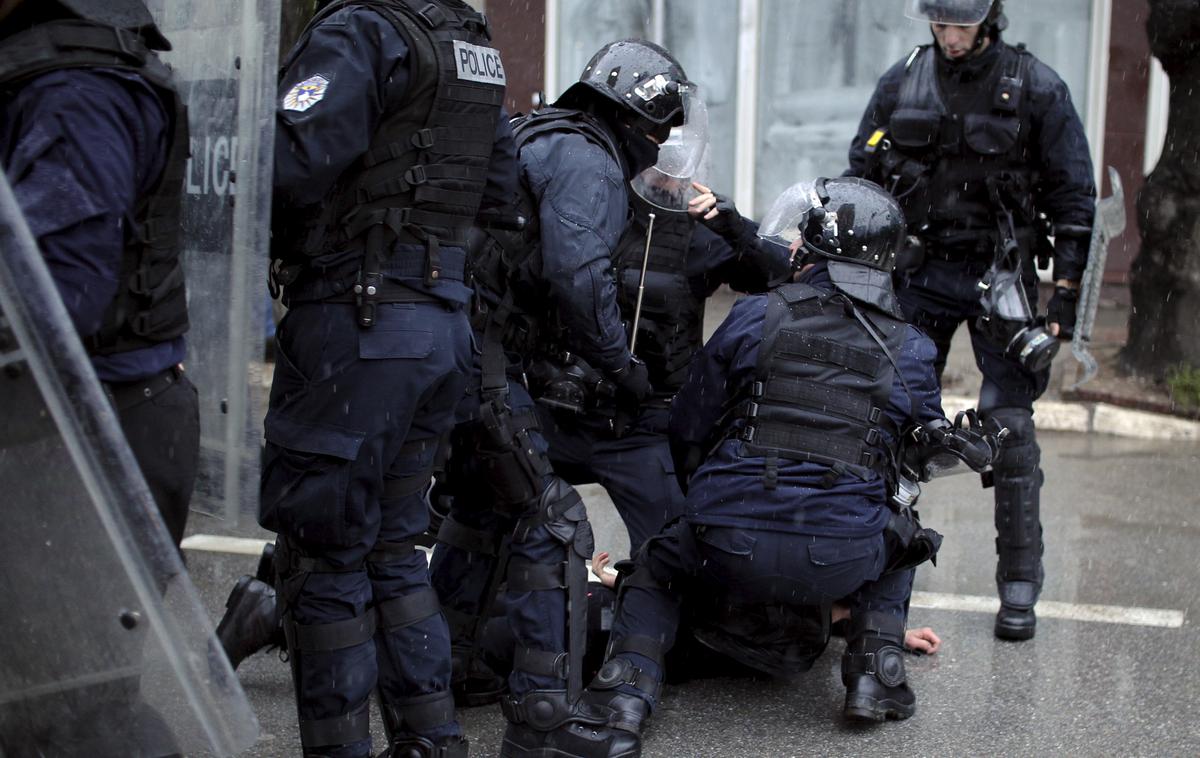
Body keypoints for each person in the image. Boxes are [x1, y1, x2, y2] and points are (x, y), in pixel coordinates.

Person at [539, 177, 1002, 757]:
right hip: (840, 558)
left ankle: (626, 694)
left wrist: (717, 505)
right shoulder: (910, 347)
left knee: (658, 563)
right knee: (905, 535)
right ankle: (874, 674)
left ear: (815, 251)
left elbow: (690, 424)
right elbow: (910, 464)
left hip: (724, 543)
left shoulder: (758, 314)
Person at [425, 39, 696, 757]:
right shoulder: (591, 163)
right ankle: (544, 717)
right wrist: (621, 364)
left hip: (450, 337)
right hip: (479, 348)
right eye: (659, 133)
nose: (659, 150)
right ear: (640, 120)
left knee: (484, 506)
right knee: (553, 522)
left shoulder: (535, 133)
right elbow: (579, 278)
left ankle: (445, 658)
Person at [259, 0, 515, 754]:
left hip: (359, 322)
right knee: (395, 552)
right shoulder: (471, 43)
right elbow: (501, 190)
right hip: (439, 322)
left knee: (325, 556)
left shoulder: (361, 31)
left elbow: (290, 164)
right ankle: (433, 743)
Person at [845, 0, 1096, 640]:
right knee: (885, 419)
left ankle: (1019, 587)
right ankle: (861, 580)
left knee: (1008, 427)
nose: (949, 38)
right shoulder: (903, 80)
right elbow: (861, 175)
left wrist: (1063, 292)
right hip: (918, 272)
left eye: (960, 25)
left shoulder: (1034, 85)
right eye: (940, 24)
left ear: (989, 22)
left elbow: (1073, 193)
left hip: (1000, 276)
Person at [0, 0, 196, 548]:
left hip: (91, 424)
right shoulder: (63, 70)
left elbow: (56, 299)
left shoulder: (73, 91)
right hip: (90, 412)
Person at [531, 174, 791, 553]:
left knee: (672, 557)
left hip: (645, 426)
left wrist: (736, 229)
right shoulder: (575, 203)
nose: (666, 172)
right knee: (494, 529)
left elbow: (782, 276)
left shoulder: (698, 229)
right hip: (558, 411)